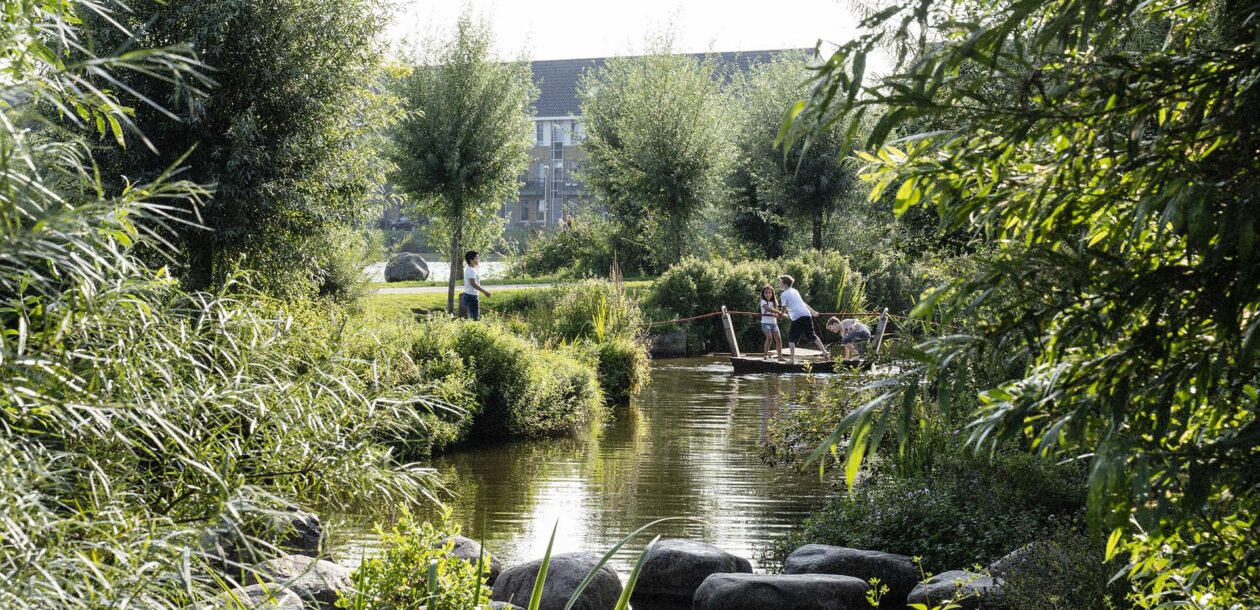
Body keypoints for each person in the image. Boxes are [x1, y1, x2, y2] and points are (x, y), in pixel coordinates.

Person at [777, 275, 827, 363]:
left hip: (797, 317)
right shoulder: (795, 291)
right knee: (811, 334)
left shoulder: (784, 294)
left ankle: (792, 359)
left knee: (792, 338)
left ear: (785, 284)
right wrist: (813, 312)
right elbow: (803, 303)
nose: (778, 284)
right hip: (806, 315)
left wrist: (781, 315)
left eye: (780, 282)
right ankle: (824, 352)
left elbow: (783, 307)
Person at [758, 284, 786, 362]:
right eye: (766, 293)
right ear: (763, 294)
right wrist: (779, 312)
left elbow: (773, 314)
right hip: (765, 323)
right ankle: (765, 355)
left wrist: (780, 315)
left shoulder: (774, 302)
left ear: (772, 294)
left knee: (778, 339)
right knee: (769, 338)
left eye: (769, 293)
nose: (768, 294)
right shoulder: (763, 301)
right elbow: (768, 309)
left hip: (774, 323)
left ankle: (780, 357)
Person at [462, 250, 491, 321]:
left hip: (471, 295)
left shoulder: (472, 269)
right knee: (475, 318)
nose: (478, 260)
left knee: (473, 317)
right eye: (476, 258)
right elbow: (473, 283)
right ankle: (473, 330)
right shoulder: (470, 270)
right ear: (471, 260)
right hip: (471, 296)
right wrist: (485, 292)